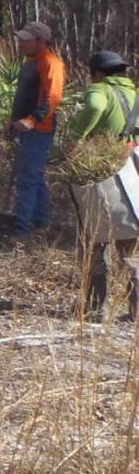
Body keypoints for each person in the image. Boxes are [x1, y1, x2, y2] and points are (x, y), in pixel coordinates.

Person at [68, 50, 139, 316]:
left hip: (97, 172)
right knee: (130, 241)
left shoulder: (99, 90)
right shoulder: (134, 94)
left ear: (97, 73)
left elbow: (95, 107)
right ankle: (136, 309)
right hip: (128, 174)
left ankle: (97, 307)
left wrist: (76, 136)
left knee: (94, 238)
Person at [5, 21, 67, 237]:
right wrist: (12, 121)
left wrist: (31, 121)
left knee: (27, 178)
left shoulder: (51, 63)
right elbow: (24, 97)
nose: (21, 43)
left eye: (26, 40)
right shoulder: (31, 62)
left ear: (41, 41)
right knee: (34, 176)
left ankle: (22, 231)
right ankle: (41, 223)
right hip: (25, 129)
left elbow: (52, 98)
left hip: (39, 130)